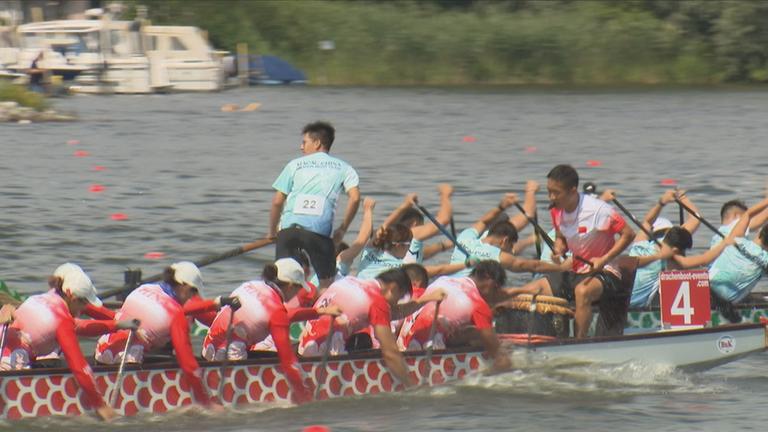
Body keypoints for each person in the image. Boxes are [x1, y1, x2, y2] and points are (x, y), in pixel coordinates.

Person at [0, 263, 138, 421]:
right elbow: (78, 365)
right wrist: (100, 405)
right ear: (71, 296)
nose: (84, 309)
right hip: (10, 362)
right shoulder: (62, 319)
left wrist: (117, 324)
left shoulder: (41, 298)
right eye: (83, 303)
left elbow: (80, 326)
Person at [512, 165, 636, 338]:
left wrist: (604, 259)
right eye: (548, 191)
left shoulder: (599, 210)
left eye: (556, 193)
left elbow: (629, 235)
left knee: (581, 292)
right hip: (575, 270)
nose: (551, 197)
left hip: (605, 272)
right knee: (531, 289)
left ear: (572, 190)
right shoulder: (556, 210)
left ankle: (579, 342)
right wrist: (558, 248)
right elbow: (560, 238)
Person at [94, 261, 238, 408]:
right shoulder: (176, 314)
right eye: (193, 291)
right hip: (125, 366)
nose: (193, 296)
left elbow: (178, 308)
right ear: (182, 285)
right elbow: (188, 364)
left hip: (101, 351)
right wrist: (206, 403)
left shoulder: (145, 288)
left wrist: (216, 302)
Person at [202, 258, 340, 404]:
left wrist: (321, 311)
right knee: (286, 358)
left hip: (207, 352)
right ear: (291, 286)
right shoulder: (275, 309)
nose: (298, 292)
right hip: (229, 366)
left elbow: (286, 316)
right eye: (299, 288)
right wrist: (305, 397)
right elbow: (286, 360)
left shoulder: (251, 285)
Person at [297, 268, 443, 387]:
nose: (395, 303)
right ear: (393, 288)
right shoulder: (377, 301)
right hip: (325, 363)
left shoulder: (347, 281)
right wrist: (411, 386)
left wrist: (425, 300)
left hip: (304, 349)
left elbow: (393, 313)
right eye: (398, 297)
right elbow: (390, 352)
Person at [269, 121, 361, 290]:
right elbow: (355, 199)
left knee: (283, 281)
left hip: (289, 232)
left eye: (304, 142)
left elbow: (276, 202)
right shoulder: (344, 168)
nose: (300, 147)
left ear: (317, 143)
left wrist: (273, 231)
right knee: (326, 284)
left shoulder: (294, 165)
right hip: (319, 235)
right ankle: (321, 312)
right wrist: (342, 229)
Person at [397, 260, 511, 374]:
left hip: (402, 347)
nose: (494, 294)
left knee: (471, 332)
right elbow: (499, 357)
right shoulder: (477, 303)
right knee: (485, 339)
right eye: (496, 288)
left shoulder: (443, 280)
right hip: (426, 361)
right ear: (488, 279)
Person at [446, 192, 568, 277]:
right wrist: (562, 268)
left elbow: (483, 221)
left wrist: (502, 206)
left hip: (444, 285)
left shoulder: (465, 237)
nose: (510, 251)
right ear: (504, 241)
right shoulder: (497, 256)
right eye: (510, 248)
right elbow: (533, 266)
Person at [628, 189, 701, 308]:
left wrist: (662, 202)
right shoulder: (667, 254)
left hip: (619, 302)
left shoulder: (639, 245)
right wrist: (682, 197)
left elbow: (647, 221)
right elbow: (696, 218)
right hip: (634, 307)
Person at [709, 196, 768, 306]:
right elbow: (756, 217)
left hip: (704, 288)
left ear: (760, 233)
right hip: (721, 304)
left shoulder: (735, 238)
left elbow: (748, 214)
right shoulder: (766, 261)